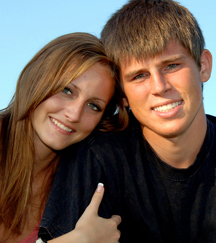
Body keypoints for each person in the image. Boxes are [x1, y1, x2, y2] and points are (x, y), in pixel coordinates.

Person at [63, 0, 216, 242]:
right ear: (122, 95)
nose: (159, 86)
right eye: (139, 76)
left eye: (172, 65)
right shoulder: (98, 158)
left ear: (203, 66)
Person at [0, 32, 128, 243]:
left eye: (93, 106)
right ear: (36, 79)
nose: (74, 114)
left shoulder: (81, 179)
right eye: (66, 90)